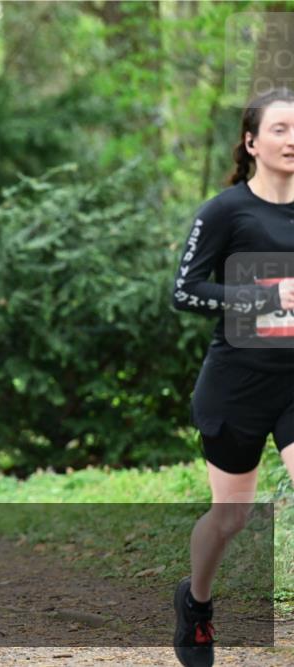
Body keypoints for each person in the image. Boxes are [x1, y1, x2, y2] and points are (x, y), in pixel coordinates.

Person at [171, 88, 294, 667]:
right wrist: (261, 295)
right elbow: (184, 291)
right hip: (238, 382)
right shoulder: (225, 211)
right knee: (231, 518)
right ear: (251, 142)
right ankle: (195, 604)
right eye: (280, 129)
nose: (292, 139)